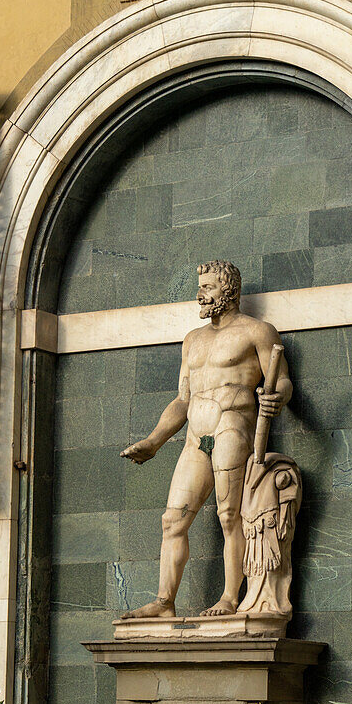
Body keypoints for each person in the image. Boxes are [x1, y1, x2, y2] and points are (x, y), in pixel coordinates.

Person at [119, 261, 292, 618]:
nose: (201, 294)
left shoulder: (257, 332)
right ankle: (165, 602)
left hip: (233, 425)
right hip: (195, 435)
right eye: (200, 287)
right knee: (172, 520)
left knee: (230, 515)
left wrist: (278, 396)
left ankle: (229, 598)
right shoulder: (192, 340)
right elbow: (182, 399)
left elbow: (283, 381)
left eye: (208, 287)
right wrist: (154, 441)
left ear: (229, 291)